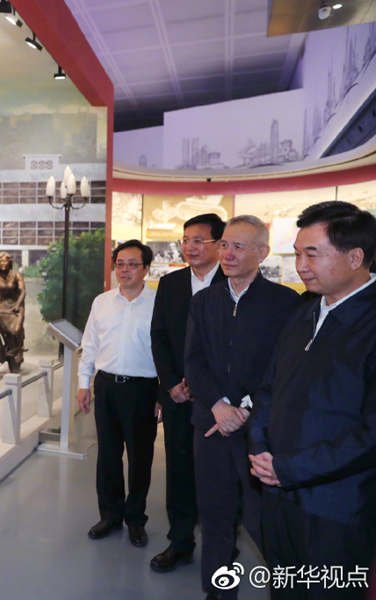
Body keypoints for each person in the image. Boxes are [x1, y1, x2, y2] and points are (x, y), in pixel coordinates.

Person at [248, 201, 376, 600]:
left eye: (312, 254)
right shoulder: (304, 311)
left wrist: (288, 468)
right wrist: (261, 448)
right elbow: (269, 388)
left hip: (337, 508)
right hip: (278, 493)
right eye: (297, 253)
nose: (301, 265)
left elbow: (371, 435)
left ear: (355, 257)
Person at [184, 215, 298, 600]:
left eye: (238, 246)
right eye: (224, 245)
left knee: (263, 521)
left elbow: (282, 366)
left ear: (262, 253)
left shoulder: (286, 303)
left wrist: (245, 410)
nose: (227, 254)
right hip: (211, 425)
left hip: (259, 430)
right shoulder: (204, 301)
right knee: (215, 518)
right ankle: (219, 592)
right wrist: (218, 406)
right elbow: (194, 361)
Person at [149, 213, 226, 573]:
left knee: (219, 476)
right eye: (185, 240)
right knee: (179, 471)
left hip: (220, 401)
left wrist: (206, 386)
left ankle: (221, 552)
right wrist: (170, 384)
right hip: (178, 396)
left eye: (198, 240)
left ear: (219, 244)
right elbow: (159, 336)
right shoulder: (171, 283)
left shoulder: (233, 281)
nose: (190, 247)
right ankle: (179, 542)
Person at [77, 240, 158, 548]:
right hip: (107, 386)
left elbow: (166, 353)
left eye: (132, 264)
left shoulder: (158, 303)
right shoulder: (102, 302)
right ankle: (110, 515)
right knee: (108, 456)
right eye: (120, 264)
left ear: (146, 268)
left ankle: (135, 518)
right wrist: (84, 383)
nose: (125, 270)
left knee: (140, 458)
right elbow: (90, 345)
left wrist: (163, 395)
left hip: (143, 389)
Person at [0, 251, 26, 373]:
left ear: (9, 262)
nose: (2, 263)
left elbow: (22, 292)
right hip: (2, 305)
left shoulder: (16, 274)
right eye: (0, 261)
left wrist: (17, 305)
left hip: (16, 305)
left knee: (16, 329)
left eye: (5, 261)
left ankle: (19, 350)